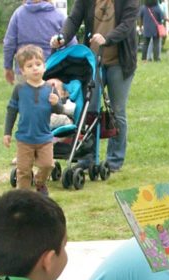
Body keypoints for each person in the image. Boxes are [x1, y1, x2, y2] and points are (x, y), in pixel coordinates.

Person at [53, 0, 138, 172]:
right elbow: (73, 19)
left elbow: (128, 24)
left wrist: (107, 39)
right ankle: (88, 156)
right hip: (93, 61)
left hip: (120, 62)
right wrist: (62, 37)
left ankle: (114, 160)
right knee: (89, 110)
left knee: (117, 111)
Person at [4, 45, 62, 195]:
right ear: (23, 71)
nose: (35, 68)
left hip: (45, 138)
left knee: (48, 164)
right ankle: (23, 196)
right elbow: (11, 111)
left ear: (44, 67)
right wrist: (7, 133)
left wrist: (57, 103)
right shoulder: (19, 90)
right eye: (29, 66)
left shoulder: (50, 88)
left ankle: (40, 182)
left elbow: (59, 110)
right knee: (23, 170)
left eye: (38, 64)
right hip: (24, 139)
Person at [2, 0, 65, 85]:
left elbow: (9, 43)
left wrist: (7, 67)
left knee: (24, 97)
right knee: (51, 97)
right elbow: (71, 43)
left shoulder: (19, 14)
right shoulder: (59, 15)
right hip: (52, 70)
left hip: (25, 71)